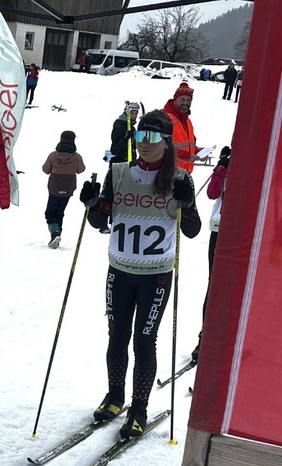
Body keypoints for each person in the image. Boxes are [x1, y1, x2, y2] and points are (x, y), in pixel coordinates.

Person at [80, 110, 201, 438]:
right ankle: (114, 397)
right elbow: (100, 221)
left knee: (144, 340)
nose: (144, 144)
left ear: (167, 141)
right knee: (117, 336)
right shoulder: (118, 172)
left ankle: (139, 408)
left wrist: (187, 203)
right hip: (119, 271)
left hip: (156, 276)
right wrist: (91, 204)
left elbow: (192, 230)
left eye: (152, 137)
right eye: (139, 136)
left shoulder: (179, 178)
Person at [191, 144, 231, 364]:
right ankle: (206, 335)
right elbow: (212, 192)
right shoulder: (228, 163)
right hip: (219, 229)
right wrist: (221, 168)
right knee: (214, 283)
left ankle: (230, 335)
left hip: (243, 231)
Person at [41, 130, 86, 248]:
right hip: (68, 189)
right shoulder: (77, 157)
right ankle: (56, 236)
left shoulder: (53, 155)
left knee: (50, 213)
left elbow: (45, 170)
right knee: (60, 212)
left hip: (54, 188)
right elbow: (81, 170)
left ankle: (55, 233)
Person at [163, 81, 200, 174]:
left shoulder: (187, 121)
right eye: (182, 99)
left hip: (184, 172)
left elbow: (188, 145)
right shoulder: (166, 119)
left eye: (188, 100)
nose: (185, 103)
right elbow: (160, 148)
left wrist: (198, 151)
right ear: (175, 100)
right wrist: (186, 156)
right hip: (168, 172)